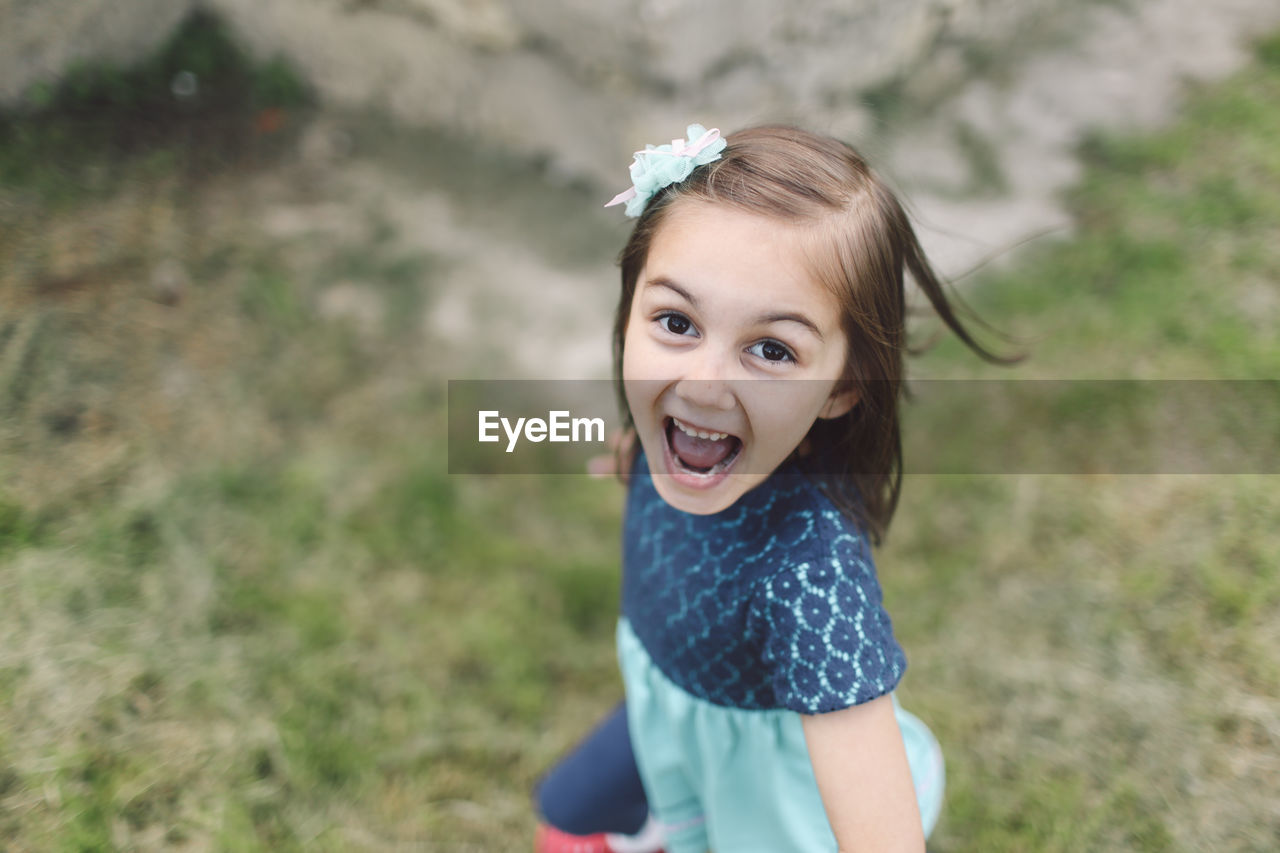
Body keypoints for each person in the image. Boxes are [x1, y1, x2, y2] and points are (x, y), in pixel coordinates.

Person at [534, 123, 1018, 852]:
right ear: (630, 309)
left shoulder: (810, 574)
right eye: (676, 320)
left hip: (766, 798)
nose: (701, 385)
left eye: (771, 348)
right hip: (667, 709)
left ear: (842, 388)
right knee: (566, 817)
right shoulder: (667, 444)